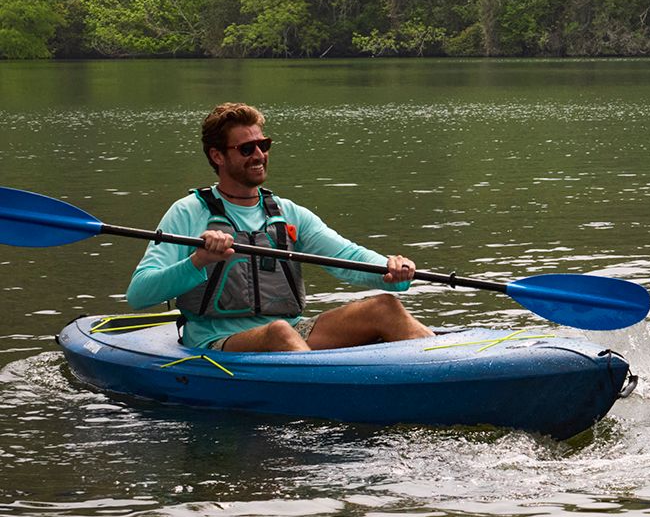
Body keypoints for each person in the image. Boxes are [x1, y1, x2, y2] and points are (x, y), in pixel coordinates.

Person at [125, 102, 435, 352]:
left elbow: (345, 256)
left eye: (263, 144)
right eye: (247, 149)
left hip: (293, 333)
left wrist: (392, 269)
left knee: (384, 307)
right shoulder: (189, 212)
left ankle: (443, 367)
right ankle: (328, 403)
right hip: (217, 342)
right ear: (217, 156)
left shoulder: (286, 212)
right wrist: (199, 260)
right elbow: (139, 294)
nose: (259, 155)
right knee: (278, 332)